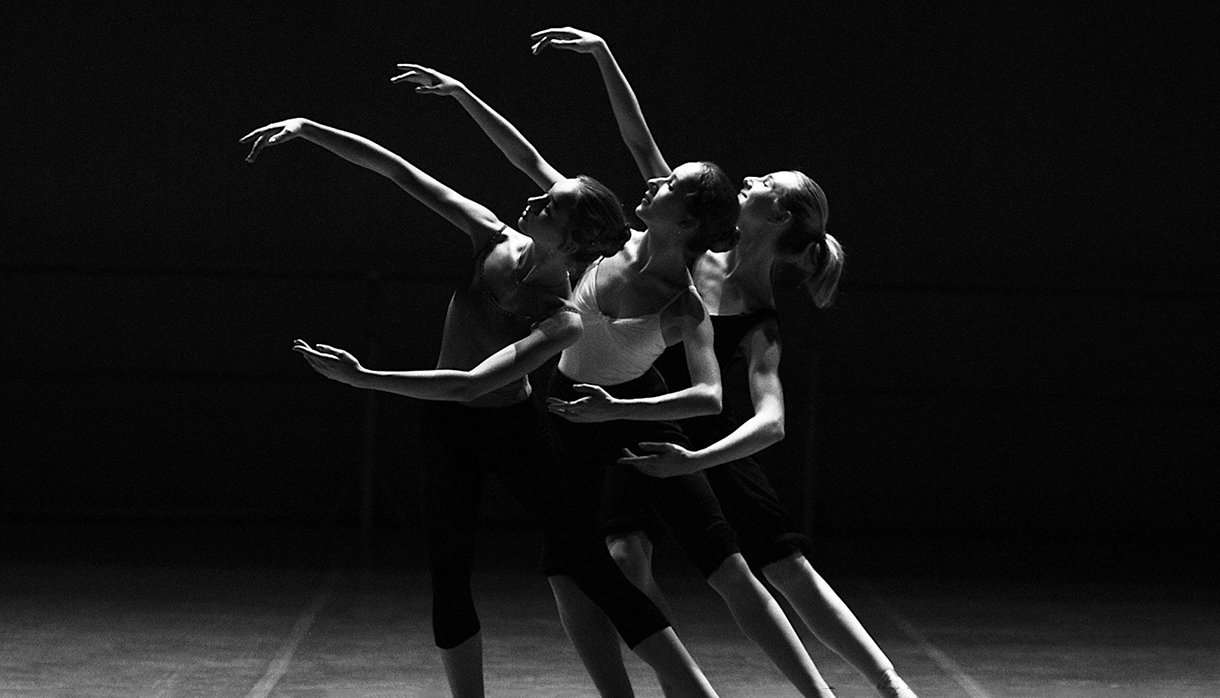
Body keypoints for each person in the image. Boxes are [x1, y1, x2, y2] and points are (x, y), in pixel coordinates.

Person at [390, 60, 835, 698]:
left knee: (722, 560)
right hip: (569, 414)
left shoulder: (683, 299)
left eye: (668, 186)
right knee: (575, 570)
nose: (652, 180)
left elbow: (710, 395)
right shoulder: (604, 242)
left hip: (631, 415)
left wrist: (632, 419)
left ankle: (802, 691)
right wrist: (467, 93)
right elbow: (532, 158)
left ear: (685, 221)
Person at [240, 113, 717, 697]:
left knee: (587, 561)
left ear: (569, 240)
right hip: (447, 429)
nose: (533, 199)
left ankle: (691, 688)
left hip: (514, 430)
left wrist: (364, 377)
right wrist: (311, 129)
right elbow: (399, 171)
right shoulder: (491, 234)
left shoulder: (562, 318)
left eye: (550, 204)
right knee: (449, 569)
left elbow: (472, 383)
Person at [530, 26, 918, 698]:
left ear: (781, 213)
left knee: (778, 566)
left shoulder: (759, 316)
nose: (749, 178)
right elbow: (638, 140)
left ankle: (880, 687)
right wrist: (604, 55)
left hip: (708, 437)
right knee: (622, 554)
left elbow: (768, 423)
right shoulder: (689, 252)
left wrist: (698, 460)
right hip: (643, 414)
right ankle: (677, 680)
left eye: (765, 182)